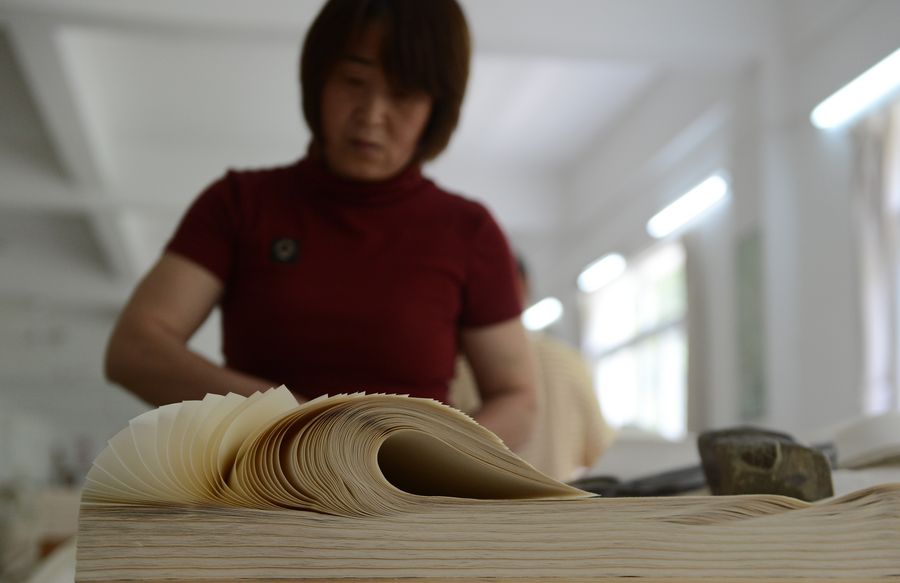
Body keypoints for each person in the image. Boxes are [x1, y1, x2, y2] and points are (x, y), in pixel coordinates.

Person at [104, 0, 537, 449]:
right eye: (353, 82)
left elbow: (517, 398)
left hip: (407, 488)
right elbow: (135, 349)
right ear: (319, 81)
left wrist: (436, 458)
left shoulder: (469, 232)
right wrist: (291, 418)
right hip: (256, 482)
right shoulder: (239, 204)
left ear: (437, 107)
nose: (371, 114)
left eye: (403, 94)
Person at [449, 257, 615, 480]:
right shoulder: (569, 361)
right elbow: (599, 451)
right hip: (558, 499)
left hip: (480, 500)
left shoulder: (456, 370)